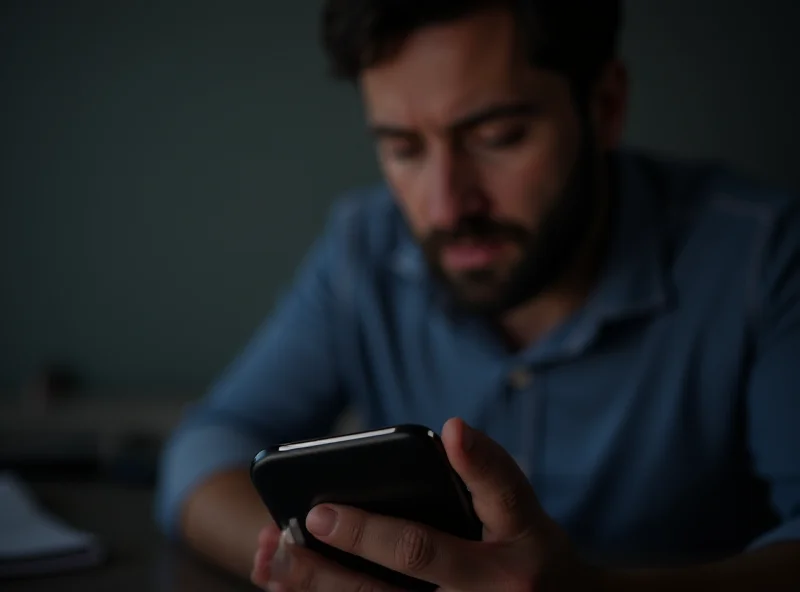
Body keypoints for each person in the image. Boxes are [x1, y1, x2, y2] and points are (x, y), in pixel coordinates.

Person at [156, 0, 800, 589]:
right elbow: (209, 444)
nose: (445, 207)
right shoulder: (365, 247)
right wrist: (304, 565)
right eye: (404, 149)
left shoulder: (764, 257)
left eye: (498, 139)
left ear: (604, 106)